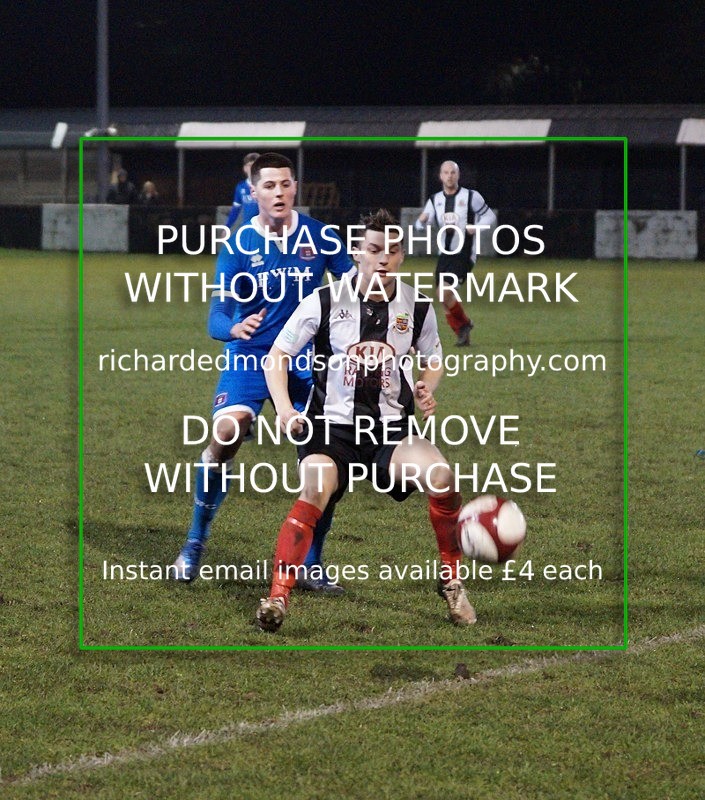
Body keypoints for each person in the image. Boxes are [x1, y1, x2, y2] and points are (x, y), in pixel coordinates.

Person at [256, 208, 476, 633]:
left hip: (390, 430)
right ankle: (278, 598)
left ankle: (452, 582)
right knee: (316, 487)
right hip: (330, 428)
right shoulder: (324, 300)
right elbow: (277, 356)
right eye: (374, 250)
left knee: (442, 477)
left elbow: (433, 359)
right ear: (357, 252)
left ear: (402, 256)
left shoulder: (418, 306)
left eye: (393, 251)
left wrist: (427, 387)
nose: (384, 259)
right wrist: (284, 409)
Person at [172, 153, 354, 591]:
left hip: (306, 362)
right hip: (250, 356)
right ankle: (195, 541)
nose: (279, 192)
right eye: (269, 185)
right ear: (252, 192)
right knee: (228, 434)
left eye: (285, 184)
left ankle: (311, 562)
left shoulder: (320, 237)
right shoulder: (238, 246)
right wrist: (233, 326)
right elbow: (215, 315)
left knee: (324, 462)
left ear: (295, 187)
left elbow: (353, 285)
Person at [415, 160, 496, 346]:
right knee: (442, 295)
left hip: (465, 252)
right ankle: (463, 333)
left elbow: (490, 216)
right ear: (440, 176)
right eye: (446, 172)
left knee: (444, 293)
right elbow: (419, 225)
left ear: (458, 175)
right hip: (445, 253)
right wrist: (421, 222)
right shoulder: (435, 200)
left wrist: (475, 227)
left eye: (453, 172)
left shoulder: (471, 196)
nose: (450, 176)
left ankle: (465, 324)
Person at [225, 152, 260, 228]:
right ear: (245, 168)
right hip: (247, 226)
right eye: (250, 165)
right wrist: (227, 227)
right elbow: (235, 209)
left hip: (264, 227)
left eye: (255, 165)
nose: (252, 168)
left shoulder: (267, 186)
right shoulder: (240, 187)